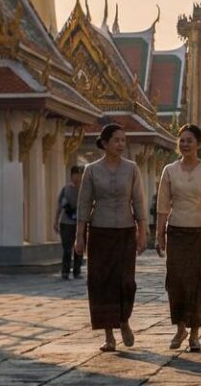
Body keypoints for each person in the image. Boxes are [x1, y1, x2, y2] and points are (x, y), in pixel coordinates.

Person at [73, 124, 148, 352]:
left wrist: (142, 231)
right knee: (101, 282)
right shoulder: (92, 170)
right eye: (116, 140)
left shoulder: (132, 168)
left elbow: (138, 201)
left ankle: (123, 320)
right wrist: (79, 236)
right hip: (100, 233)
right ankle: (108, 335)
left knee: (127, 282)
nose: (121, 144)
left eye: (123, 140)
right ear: (104, 143)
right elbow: (84, 204)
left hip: (125, 231)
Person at [155, 124, 201, 352]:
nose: (185, 144)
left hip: (200, 233)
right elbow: (163, 205)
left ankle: (194, 334)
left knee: (198, 283)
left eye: (189, 140)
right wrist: (159, 234)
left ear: (198, 144)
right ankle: (180, 328)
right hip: (176, 232)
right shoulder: (169, 171)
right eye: (181, 140)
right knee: (176, 283)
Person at [54, 165, 84, 280]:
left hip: (80, 223)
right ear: (71, 176)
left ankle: (77, 271)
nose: (78, 177)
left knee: (79, 248)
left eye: (80, 175)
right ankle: (65, 271)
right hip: (66, 223)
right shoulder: (66, 189)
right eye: (76, 175)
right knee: (67, 249)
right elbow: (59, 206)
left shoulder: (85, 190)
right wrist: (56, 221)